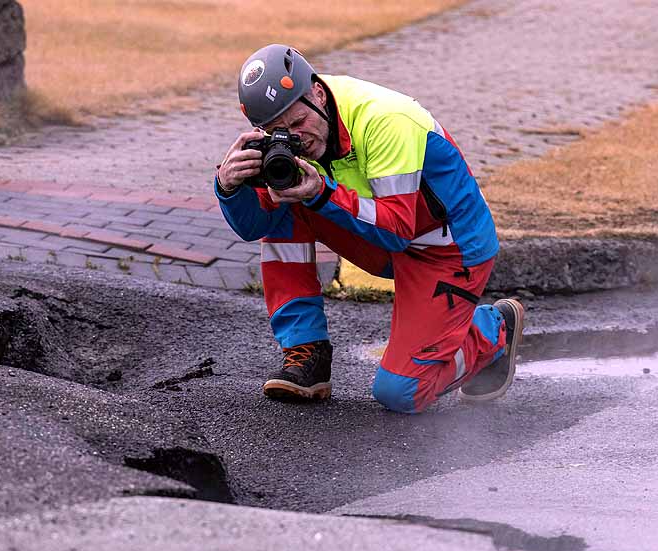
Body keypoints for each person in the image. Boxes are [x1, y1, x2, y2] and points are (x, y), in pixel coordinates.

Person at [214, 44, 523, 414]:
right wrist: (228, 187)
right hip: (379, 236)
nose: (297, 137)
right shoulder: (284, 141)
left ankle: (492, 330)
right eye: (279, 131)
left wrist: (321, 192)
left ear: (315, 91)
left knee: (402, 393)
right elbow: (254, 227)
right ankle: (307, 350)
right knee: (285, 201)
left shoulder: (387, 120)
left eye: (299, 123)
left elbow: (396, 230)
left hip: (448, 250)